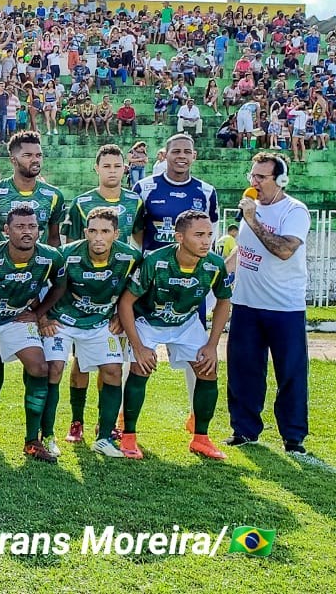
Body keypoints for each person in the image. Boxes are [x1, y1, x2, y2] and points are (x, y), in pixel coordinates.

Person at [0, 130, 66, 446]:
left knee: (36, 361)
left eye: (38, 155)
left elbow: (53, 243)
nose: (34, 160)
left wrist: (43, 311)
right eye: (27, 155)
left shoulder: (53, 196)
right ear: (13, 158)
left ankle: (36, 435)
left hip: (30, 286)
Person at [118, 210, 233, 460]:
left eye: (209, 235)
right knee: (141, 367)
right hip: (148, 321)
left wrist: (212, 345)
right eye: (199, 235)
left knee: (207, 369)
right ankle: (128, 436)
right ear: (179, 237)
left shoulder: (214, 264)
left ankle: (200, 438)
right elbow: (126, 303)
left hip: (186, 322)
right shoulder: (155, 261)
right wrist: (138, 347)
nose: (206, 241)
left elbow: (224, 301)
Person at [133, 133, 219, 430]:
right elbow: (136, 234)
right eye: (176, 151)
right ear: (165, 155)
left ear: (194, 156)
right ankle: (121, 418)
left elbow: (211, 233)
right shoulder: (144, 187)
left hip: (188, 284)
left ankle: (197, 419)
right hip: (151, 284)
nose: (182, 155)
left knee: (199, 355)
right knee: (133, 357)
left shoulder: (206, 191)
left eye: (187, 151)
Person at [40, 207, 142, 458]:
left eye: (105, 231)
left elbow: (140, 290)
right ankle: (49, 436)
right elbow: (37, 282)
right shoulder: (65, 255)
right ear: (85, 232)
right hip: (62, 320)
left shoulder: (131, 258)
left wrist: (122, 314)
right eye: (93, 231)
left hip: (100, 322)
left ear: (116, 234)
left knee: (113, 371)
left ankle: (104, 437)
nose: (98, 237)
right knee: (54, 368)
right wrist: (41, 317)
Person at [227, 153, 310, 455]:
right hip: (247, 305)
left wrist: (253, 220)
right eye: (253, 175)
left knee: (289, 372)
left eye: (262, 177)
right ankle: (244, 430)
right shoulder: (250, 210)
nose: (254, 182)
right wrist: (220, 273)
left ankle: (293, 437)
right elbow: (242, 250)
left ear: (280, 180)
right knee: (243, 370)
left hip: (284, 307)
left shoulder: (294, 211)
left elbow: (285, 250)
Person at [59, 144, 142, 442]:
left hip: (114, 297)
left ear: (124, 168)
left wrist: (123, 309)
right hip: (79, 303)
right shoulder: (81, 203)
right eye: (105, 165)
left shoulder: (135, 201)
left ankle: (104, 423)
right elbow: (71, 257)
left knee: (110, 363)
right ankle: (76, 421)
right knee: (80, 362)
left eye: (116, 165)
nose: (111, 170)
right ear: (96, 168)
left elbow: (138, 248)